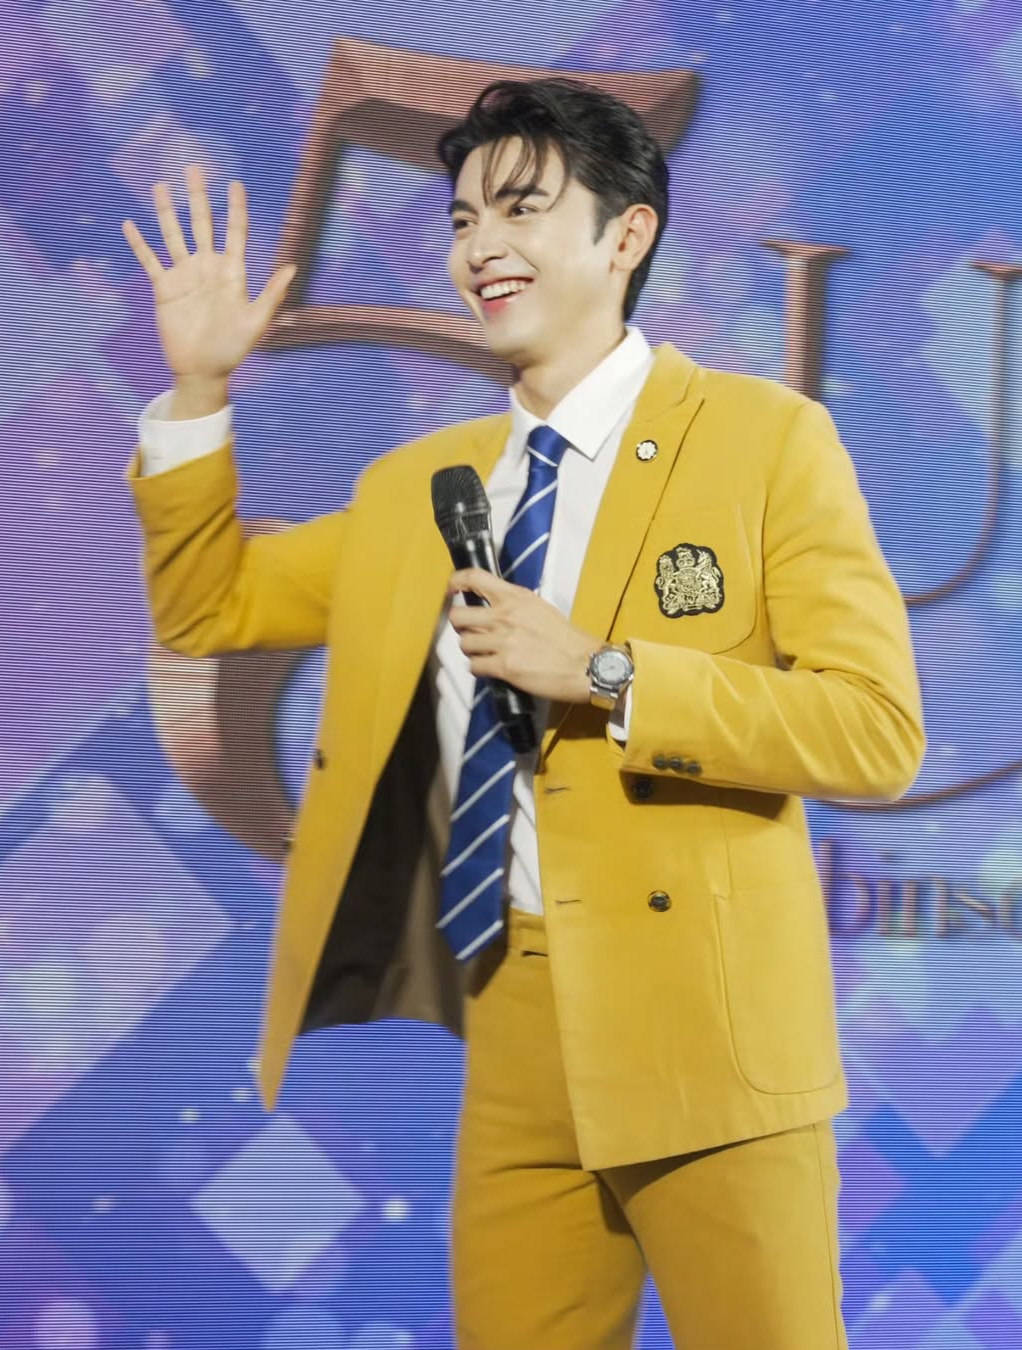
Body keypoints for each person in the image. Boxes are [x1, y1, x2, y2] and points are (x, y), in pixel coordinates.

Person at [122, 78, 924, 1350]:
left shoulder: (765, 440)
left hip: (714, 1042)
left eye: (521, 208)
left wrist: (609, 675)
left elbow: (874, 731)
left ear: (626, 234)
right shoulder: (419, 486)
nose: (480, 245)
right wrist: (198, 392)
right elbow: (212, 604)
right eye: (461, 220)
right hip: (512, 1022)